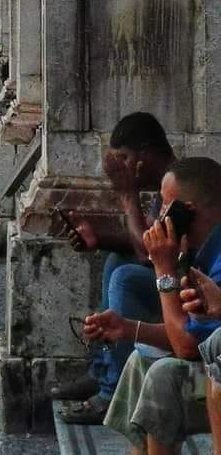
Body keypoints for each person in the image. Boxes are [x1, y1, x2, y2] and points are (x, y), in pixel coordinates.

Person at [87, 159, 221, 451]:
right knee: (141, 360)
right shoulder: (202, 249)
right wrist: (128, 329)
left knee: (164, 375)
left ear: (187, 212)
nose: (159, 217)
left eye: (165, 207)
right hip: (210, 359)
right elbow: (193, 333)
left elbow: (186, 346)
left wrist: (165, 269)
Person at [54, 112, 174, 424]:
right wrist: (99, 238)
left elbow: (148, 254)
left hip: (187, 291)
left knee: (125, 278)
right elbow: (146, 242)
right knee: (116, 261)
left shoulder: (177, 186)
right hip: (172, 277)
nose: (120, 167)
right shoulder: (165, 185)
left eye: (124, 157)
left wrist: (127, 195)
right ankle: (103, 369)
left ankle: (113, 391)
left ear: (145, 155)